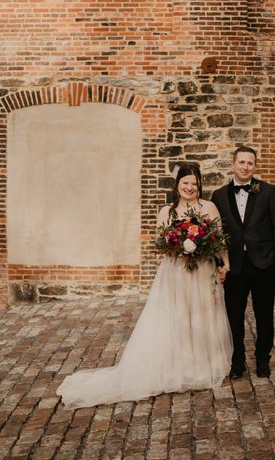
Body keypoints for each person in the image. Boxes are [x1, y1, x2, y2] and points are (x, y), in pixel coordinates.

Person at [57, 164, 233, 409]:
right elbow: (161, 243)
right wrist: (180, 243)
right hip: (176, 271)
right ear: (178, 185)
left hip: (204, 270)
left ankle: (205, 367)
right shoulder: (166, 212)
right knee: (180, 317)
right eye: (185, 183)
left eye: (194, 183)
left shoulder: (209, 207)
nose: (190, 187)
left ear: (199, 185)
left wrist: (225, 265)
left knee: (204, 316)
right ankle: (183, 369)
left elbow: (220, 239)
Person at [211, 146, 275, 380]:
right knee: (234, 314)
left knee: (263, 313)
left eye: (250, 163)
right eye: (241, 162)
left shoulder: (268, 191)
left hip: (264, 262)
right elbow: (216, 232)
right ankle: (237, 360)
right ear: (233, 164)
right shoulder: (218, 195)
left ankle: (263, 359)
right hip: (233, 265)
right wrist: (219, 262)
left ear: (255, 166)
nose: (246, 167)